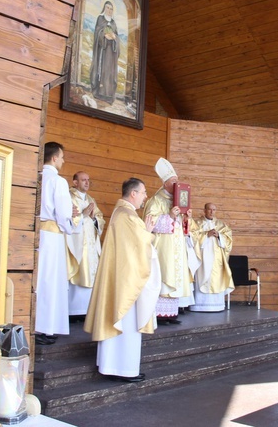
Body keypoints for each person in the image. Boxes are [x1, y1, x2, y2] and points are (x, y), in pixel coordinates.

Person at [84, 178, 161, 383]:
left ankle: (112, 365)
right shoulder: (128, 216)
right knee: (127, 322)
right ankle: (124, 368)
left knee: (120, 322)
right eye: (143, 192)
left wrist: (144, 232)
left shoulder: (123, 213)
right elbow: (138, 247)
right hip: (127, 281)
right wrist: (149, 232)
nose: (146, 196)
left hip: (121, 276)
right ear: (133, 193)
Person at [143, 158, 197, 325]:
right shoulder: (156, 200)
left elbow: (184, 227)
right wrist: (170, 217)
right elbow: (149, 224)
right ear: (165, 183)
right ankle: (157, 314)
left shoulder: (179, 200)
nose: (176, 184)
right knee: (164, 275)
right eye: (173, 181)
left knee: (175, 275)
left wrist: (186, 219)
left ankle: (171, 314)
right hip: (162, 247)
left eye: (177, 180)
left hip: (177, 246)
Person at [35, 142, 79, 345]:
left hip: (38, 233)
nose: (63, 160)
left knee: (40, 279)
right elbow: (62, 214)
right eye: (61, 157)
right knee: (51, 281)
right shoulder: (57, 181)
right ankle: (46, 327)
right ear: (54, 158)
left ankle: (35, 323)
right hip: (52, 236)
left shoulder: (36, 176)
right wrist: (71, 221)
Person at [67, 171, 105, 321]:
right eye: (83, 180)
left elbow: (100, 218)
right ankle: (73, 311)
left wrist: (94, 218)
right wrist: (83, 215)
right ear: (75, 182)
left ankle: (87, 310)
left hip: (91, 244)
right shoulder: (69, 197)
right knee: (79, 271)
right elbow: (67, 218)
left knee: (91, 272)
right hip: (77, 243)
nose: (87, 183)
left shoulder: (91, 199)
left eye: (88, 180)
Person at [189, 203, 234, 312]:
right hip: (202, 258)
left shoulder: (221, 224)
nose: (212, 212)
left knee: (216, 278)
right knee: (203, 277)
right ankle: (200, 306)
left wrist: (219, 236)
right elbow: (192, 238)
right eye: (209, 209)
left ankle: (216, 305)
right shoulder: (197, 223)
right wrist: (206, 235)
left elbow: (228, 240)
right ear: (204, 210)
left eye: (214, 210)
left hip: (217, 259)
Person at [90, 0, 119, 105]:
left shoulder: (114, 22)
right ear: (104, 8)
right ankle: (99, 93)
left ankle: (108, 95)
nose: (109, 10)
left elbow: (117, 37)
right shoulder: (100, 19)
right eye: (107, 8)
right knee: (101, 71)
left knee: (109, 73)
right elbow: (97, 31)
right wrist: (103, 35)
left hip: (111, 53)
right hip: (102, 51)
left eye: (111, 9)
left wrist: (115, 37)